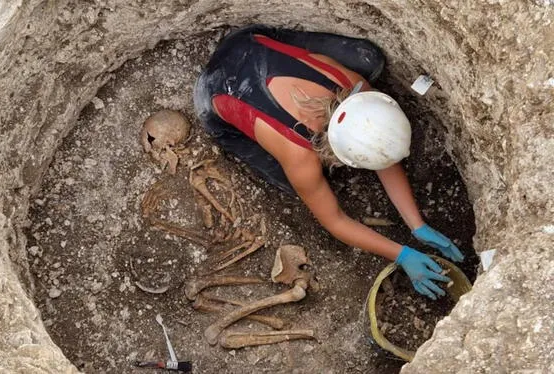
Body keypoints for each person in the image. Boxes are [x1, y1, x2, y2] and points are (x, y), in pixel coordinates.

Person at [194, 25, 464, 300]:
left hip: (250, 45)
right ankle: (229, 128)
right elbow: (334, 221)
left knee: (369, 59)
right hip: (214, 89)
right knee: (292, 183)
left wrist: (416, 224)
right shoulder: (299, 156)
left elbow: (380, 149)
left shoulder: (354, 87)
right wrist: (402, 254)